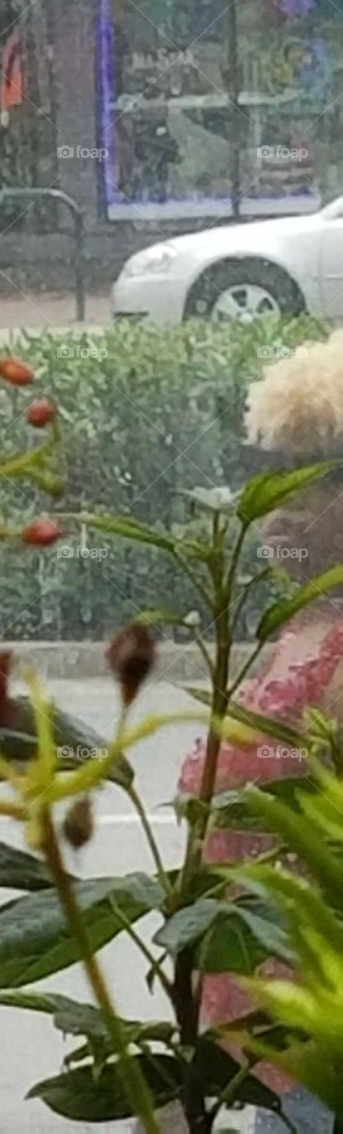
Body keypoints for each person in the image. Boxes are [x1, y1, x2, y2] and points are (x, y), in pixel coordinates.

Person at [177, 328, 343, 1133]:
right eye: (271, 474)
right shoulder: (296, 625)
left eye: (308, 482)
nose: (278, 506)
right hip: (265, 1022)